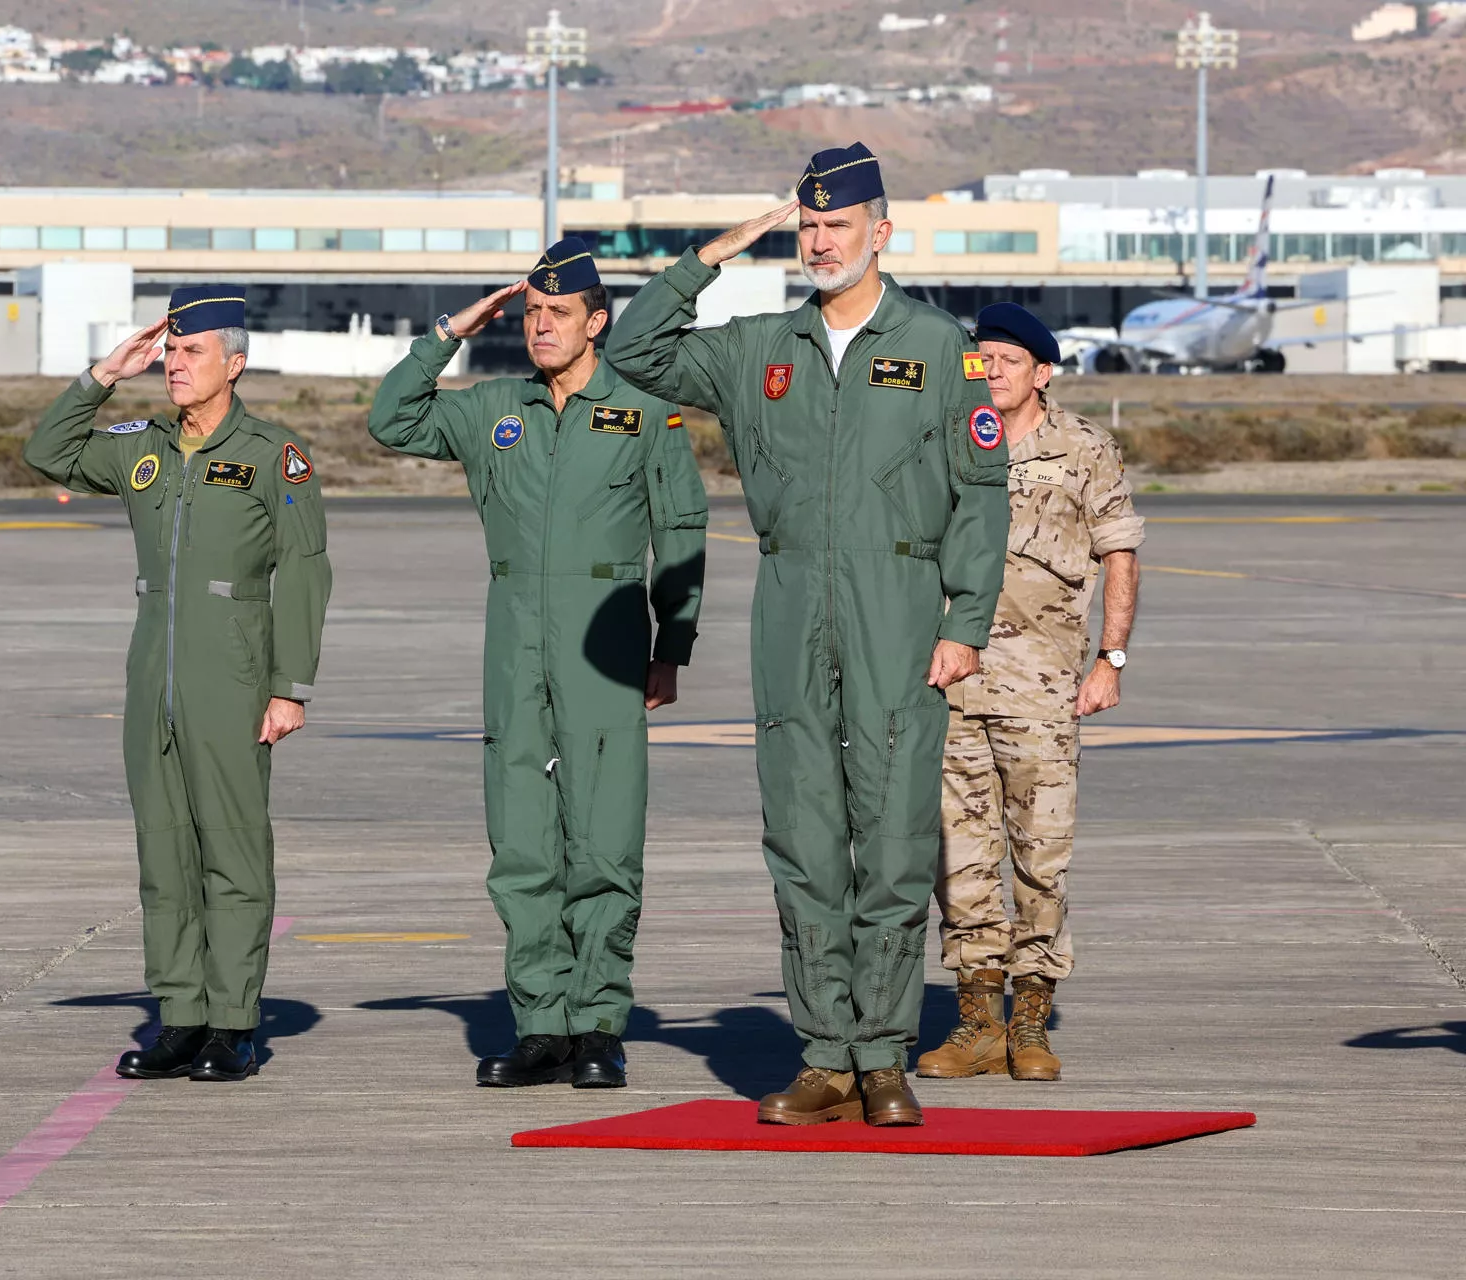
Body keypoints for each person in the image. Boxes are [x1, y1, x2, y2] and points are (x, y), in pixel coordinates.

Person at [607, 143, 1008, 1126]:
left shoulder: (939, 347)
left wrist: (965, 620)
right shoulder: (758, 348)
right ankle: (826, 1054)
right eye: (809, 226)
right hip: (790, 603)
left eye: (840, 224)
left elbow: (981, 492)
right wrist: (711, 255)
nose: (822, 241)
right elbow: (632, 351)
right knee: (803, 837)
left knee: (895, 839)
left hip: (898, 603)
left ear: (882, 231)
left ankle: (884, 1056)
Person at [367, 238, 709, 1089]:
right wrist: (452, 329)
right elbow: (391, 419)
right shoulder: (493, 409)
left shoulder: (645, 411)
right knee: (521, 842)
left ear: (598, 322)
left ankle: (597, 1024)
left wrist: (672, 646)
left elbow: (682, 530)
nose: (540, 325)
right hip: (514, 638)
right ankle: (540, 1025)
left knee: (603, 840)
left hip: (607, 639)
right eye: (529, 312)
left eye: (558, 312)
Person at [23, 285, 332, 1083]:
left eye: (191, 351)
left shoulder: (272, 455)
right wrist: (103, 375)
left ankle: (233, 1024)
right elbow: (47, 454)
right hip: (151, 678)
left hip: (232, 679)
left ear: (235, 363)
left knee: (231, 852)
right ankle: (182, 1016)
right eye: (168, 351)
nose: (173, 364)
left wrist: (289, 686)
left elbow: (305, 571)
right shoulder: (143, 444)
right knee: (164, 855)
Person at [917, 301, 1142, 1083]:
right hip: (952, 682)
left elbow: (1119, 552)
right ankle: (978, 1021)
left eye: (1008, 361)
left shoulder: (1082, 448)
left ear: (1042, 373)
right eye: (981, 360)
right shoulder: (946, 439)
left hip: (1043, 689)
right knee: (960, 857)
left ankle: (1032, 1018)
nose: (991, 372)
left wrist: (1111, 659)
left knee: (1042, 856)